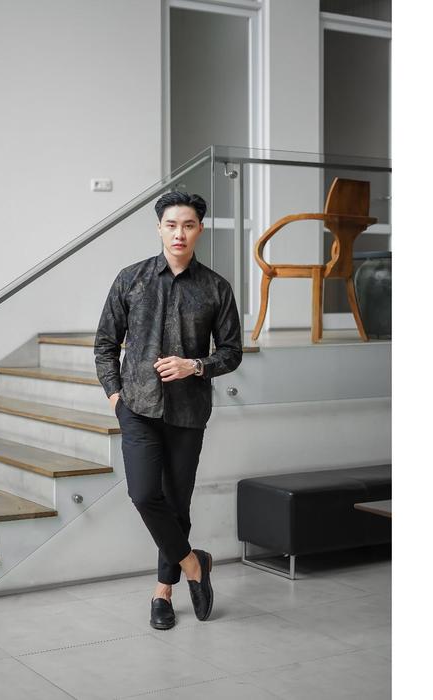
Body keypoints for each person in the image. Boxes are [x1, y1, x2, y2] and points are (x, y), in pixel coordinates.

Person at [94, 191, 243, 630]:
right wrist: (115, 396)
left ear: (200, 230)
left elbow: (232, 352)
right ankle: (194, 564)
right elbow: (105, 344)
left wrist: (194, 365)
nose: (180, 233)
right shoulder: (131, 279)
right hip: (137, 408)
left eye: (189, 225)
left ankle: (163, 591)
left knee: (177, 503)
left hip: (188, 412)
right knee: (144, 495)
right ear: (159, 228)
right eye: (172, 225)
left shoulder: (216, 287)